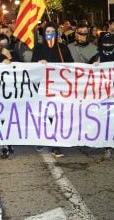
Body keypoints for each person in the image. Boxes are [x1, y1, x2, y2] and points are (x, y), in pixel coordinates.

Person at [32, 23, 73, 158]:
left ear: (56, 33)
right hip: (44, 87)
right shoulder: (38, 49)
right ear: (44, 33)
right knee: (44, 114)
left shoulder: (63, 48)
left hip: (59, 87)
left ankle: (56, 144)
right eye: (47, 31)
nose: (50, 33)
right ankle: (42, 139)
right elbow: (32, 66)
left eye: (52, 31)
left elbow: (72, 66)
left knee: (57, 115)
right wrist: (39, 63)